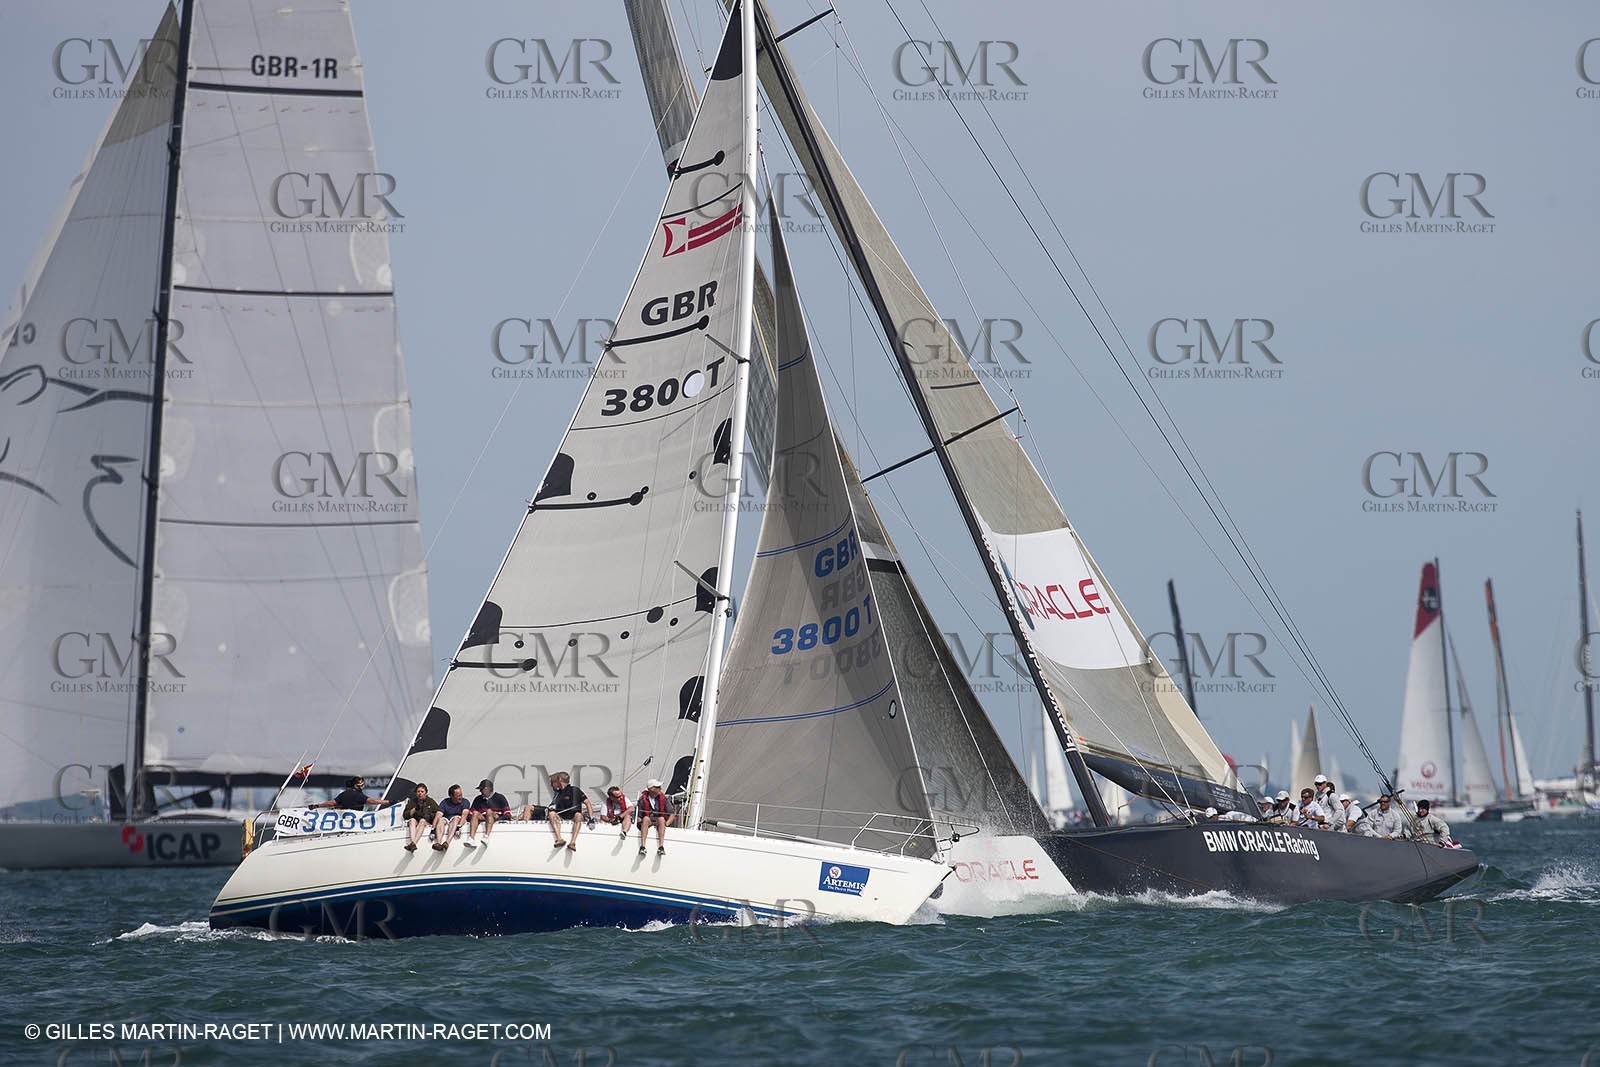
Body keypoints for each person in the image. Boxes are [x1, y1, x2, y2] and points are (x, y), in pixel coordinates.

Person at [546, 771, 594, 851]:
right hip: (561, 817)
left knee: (578, 815)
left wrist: (591, 818)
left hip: (574, 816)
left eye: (554, 781)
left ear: (559, 780)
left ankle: (573, 842)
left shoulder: (575, 790)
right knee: (551, 814)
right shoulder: (558, 793)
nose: (552, 784)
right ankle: (559, 839)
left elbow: (587, 803)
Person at [465, 778, 512, 848]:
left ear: (487, 789)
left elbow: (508, 815)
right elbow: (469, 815)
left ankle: (486, 837)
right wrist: (478, 816)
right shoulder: (478, 799)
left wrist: (499, 818)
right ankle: (471, 838)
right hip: (483, 819)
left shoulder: (500, 798)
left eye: (481, 789)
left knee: (489, 811)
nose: (480, 791)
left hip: (494, 819)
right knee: (475, 813)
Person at [636, 778, 676, 856]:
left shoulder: (663, 798)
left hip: (659, 820)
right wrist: (639, 821)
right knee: (646, 819)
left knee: (661, 819)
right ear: (652, 789)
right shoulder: (642, 799)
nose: (660, 788)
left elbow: (671, 813)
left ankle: (661, 847)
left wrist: (667, 824)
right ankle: (642, 846)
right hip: (648, 820)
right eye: (658, 787)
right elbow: (639, 815)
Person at [403, 783, 443, 852]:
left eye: (422, 792)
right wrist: (414, 809)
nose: (420, 793)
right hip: (416, 820)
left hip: (426, 822)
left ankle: (413, 843)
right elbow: (405, 815)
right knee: (412, 820)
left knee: (422, 821)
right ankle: (412, 842)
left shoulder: (430, 801)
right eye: (418, 792)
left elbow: (437, 813)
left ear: (426, 793)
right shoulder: (412, 802)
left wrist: (429, 816)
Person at [313, 775, 386, 810]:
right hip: (355, 823)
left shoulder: (343, 794)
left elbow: (331, 803)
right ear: (356, 785)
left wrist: (317, 805)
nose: (363, 786)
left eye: (364, 784)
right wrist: (389, 802)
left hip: (344, 823)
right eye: (362, 785)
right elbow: (372, 801)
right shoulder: (358, 795)